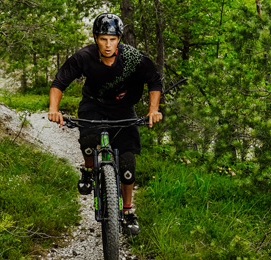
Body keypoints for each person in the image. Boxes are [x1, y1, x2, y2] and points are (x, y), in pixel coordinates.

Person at [47, 13, 163, 235]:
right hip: (94, 104)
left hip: (123, 108)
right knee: (89, 140)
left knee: (128, 163)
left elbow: (154, 80)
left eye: (112, 39)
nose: (107, 44)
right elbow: (60, 81)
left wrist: (153, 110)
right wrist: (54, 109)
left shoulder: (132, 57)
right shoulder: (84, 56)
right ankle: (89, 169)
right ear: (95, 38)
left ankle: (128, 212)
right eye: (102, 39)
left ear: (119, 39)